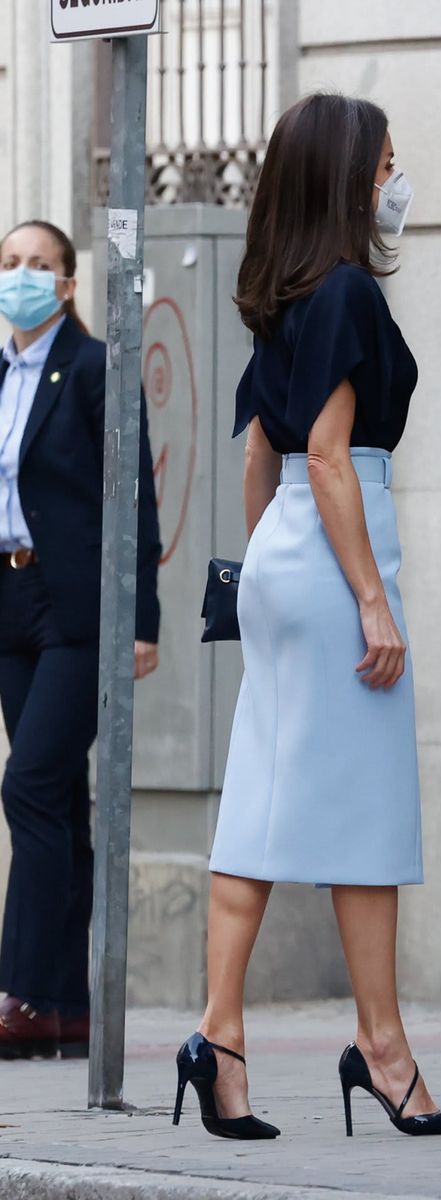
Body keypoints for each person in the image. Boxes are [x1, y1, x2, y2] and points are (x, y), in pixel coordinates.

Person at [172, 93, 441, 1142]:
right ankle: (383, 1051)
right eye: (388, 161)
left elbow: (263, 453)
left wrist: (271, 571)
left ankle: (220, 1043)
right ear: (352, 178)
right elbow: (335, 455)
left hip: (286, 555)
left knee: (258, 799)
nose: (398, 179)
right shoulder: (347, 293)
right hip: (338, 552)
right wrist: (370, 600)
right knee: (367, 812)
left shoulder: (290, 295)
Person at [0, 221, 161, 1060]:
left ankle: (21, 993)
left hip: (76, 609)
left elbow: (133, 496)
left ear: (68, 284)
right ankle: (65, 1008)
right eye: (11, 263)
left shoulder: (95, 367)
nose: (22, 276)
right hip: (11, 601)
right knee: (57, 801)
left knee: (26, 786)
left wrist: (142, 620)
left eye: (39, 265)